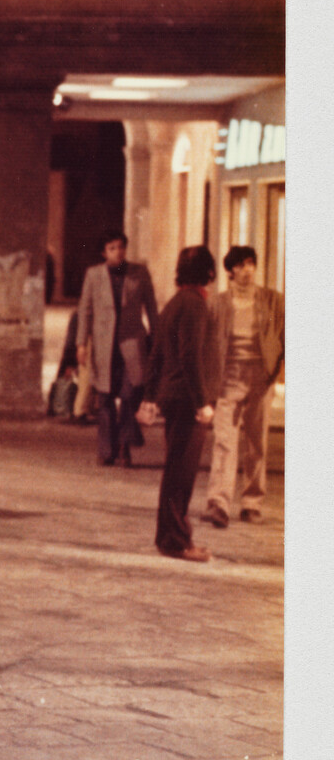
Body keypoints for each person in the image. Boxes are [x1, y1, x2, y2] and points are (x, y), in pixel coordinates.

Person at [141, 246, 221, 563]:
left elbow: (156, 354)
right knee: (181, 474)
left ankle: (172, 536)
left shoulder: (174, 303)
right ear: (209, 273)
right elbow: (190, 356)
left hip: (175, 397)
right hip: (188, 401)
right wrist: (202, 402)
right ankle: (175, 541)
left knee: (176, 472)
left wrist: (150, 396)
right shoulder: (193, 305)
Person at [202, 246, 285, 528]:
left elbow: (286, 337)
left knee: (256, 442)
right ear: (231, 270)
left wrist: (276, 372)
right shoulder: (217, 303)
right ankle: (219, 503)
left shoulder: (272, 300)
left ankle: (251, 503)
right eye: (242, 265)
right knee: (224, 441)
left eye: (252, 264)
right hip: (228, 378)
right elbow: (207, 345)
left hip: (260, 378)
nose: (248, 270)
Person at [76, 230, 159, 467]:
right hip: (104, 346)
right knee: (105, 399)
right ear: (104, 252)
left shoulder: (139, 273)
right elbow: (85, 311)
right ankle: (106, 449)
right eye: (112, 248)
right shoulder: (93, 275)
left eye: (121, 247)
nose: (118, 252)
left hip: (132, 345)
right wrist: (81, 343)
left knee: (130, 395)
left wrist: (157, 336)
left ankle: (124, 447)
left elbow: (151, 307)